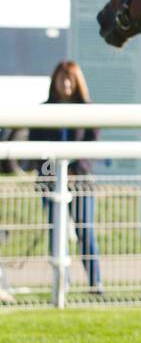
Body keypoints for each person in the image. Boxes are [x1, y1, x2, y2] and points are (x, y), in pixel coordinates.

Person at [30, 61, 103, 295]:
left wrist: (73, 172)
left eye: (70, 78)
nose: (66, 83)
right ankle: (62, 283)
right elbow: (37, 147)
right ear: (55, 81)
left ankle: (95, 282)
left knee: (85, 230)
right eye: (62, 78)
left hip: (80, 182)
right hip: (51, 182)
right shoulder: (44, 110)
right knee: (56, 232)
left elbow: (92, 146)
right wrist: (53, 173)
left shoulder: (87, 110)